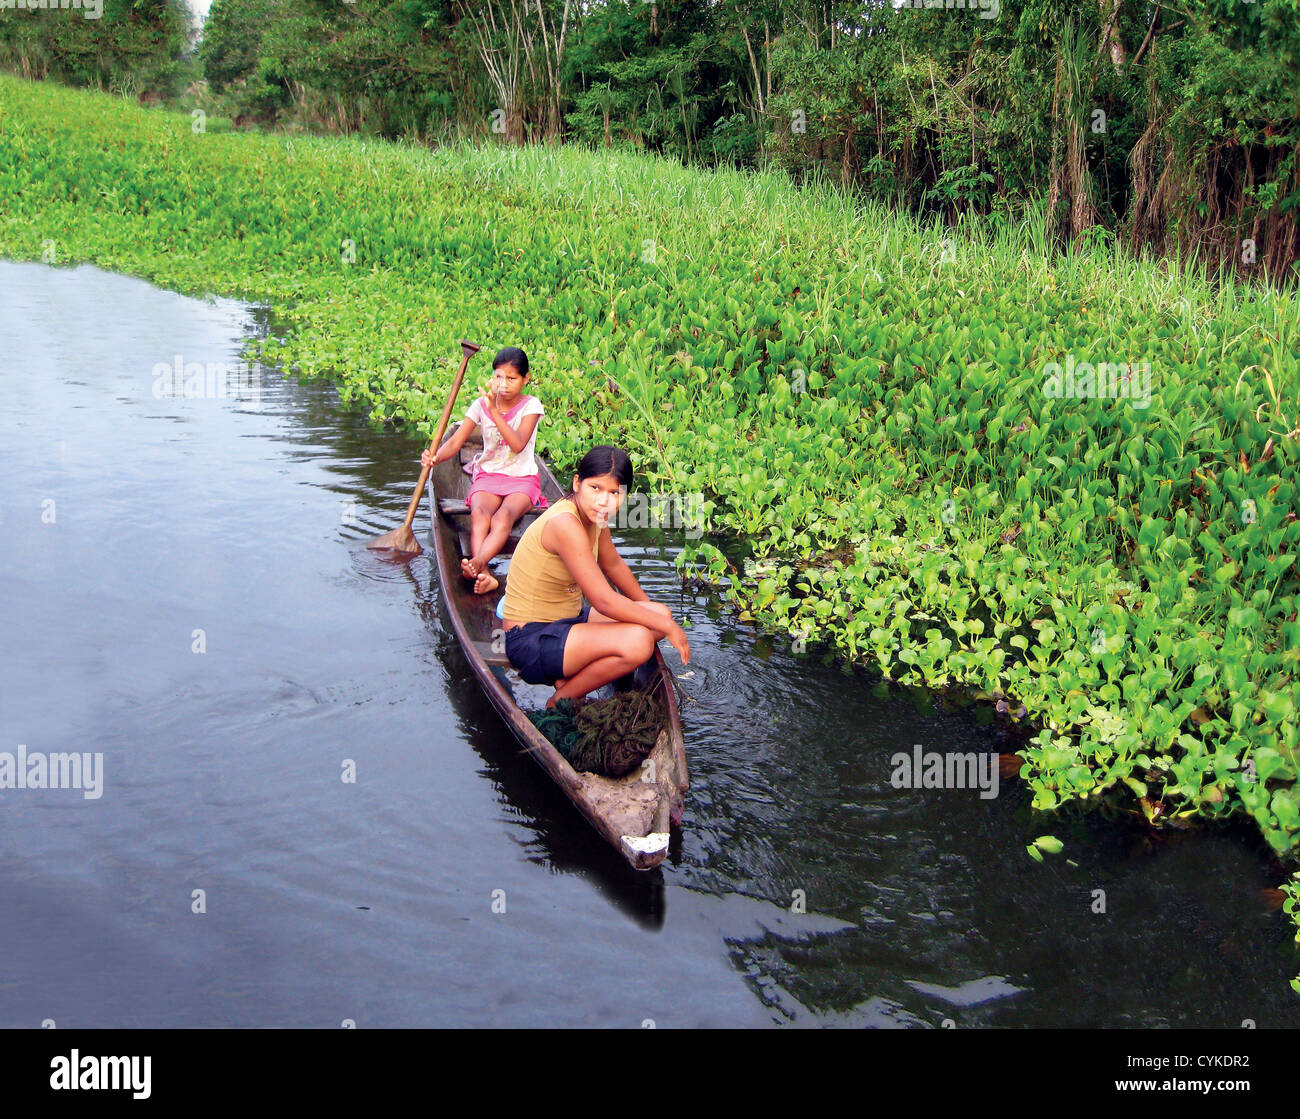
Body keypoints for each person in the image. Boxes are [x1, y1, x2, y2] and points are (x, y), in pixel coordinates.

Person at [502, 445, 691, 708]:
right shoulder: (565, 524)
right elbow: (603, 600)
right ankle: (561, 699)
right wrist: (667, 629)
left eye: (614, 492)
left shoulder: (595, 518)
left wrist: (655, 617)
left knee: (660, 616)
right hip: (529, 638)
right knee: (639, 643)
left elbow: (613, 565)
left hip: (568, 620)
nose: (604, 501)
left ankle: (571, 678)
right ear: (577, 483)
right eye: (595, 488)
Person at [422, 346, 545, 594]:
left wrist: (494, 411)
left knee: (503, 517)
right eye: (499, 376)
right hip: (489, 474)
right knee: (479, 513)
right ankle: (485, 573)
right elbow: (456, 442)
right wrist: (435, 457)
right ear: (492, 376)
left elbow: (518, 444)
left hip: (521, 478)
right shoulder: (481, 404)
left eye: (511, 378)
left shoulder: (531, 406)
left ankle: (477, 563)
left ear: (525, 379)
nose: (503, 384)